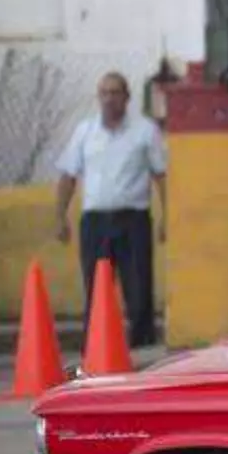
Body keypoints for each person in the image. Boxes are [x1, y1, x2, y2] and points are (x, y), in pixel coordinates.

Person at [55, 72, 169, 348]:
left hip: (133, 220)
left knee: (139, 287)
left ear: (127, 97)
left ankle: (142, 345)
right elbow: (68, 175)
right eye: (104, 93)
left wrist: (168, 217)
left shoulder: (145, 131)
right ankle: (97, 348)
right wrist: (59, 216)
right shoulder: (85, 132)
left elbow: (162, 175)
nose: (109, 99)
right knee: (96, 287)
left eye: (115, 93)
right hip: (95, 222)